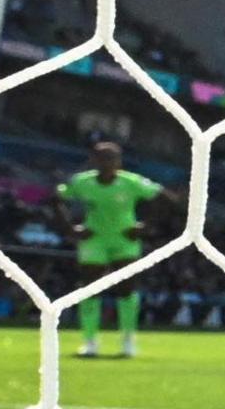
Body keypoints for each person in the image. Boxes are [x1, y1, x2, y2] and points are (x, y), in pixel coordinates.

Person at [55, 139, 171, 360]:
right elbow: (56, 198)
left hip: (124, 239)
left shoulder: (131, 182)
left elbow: (165, 199)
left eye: (111, 158)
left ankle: (128, 340)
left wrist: (146, 227)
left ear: (118, 161)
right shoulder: (82, 182)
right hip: (94, 238)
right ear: (93, 160)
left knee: (125, 289)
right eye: (101, 157)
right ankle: (90, 342)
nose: (106, 162)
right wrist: (70, 229)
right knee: (89, 287)